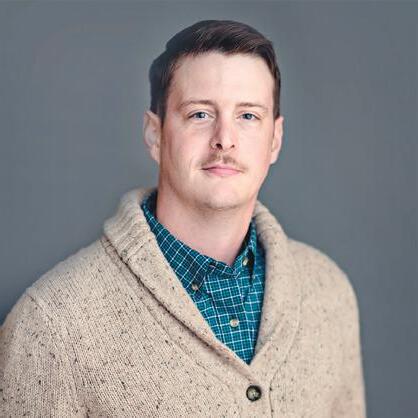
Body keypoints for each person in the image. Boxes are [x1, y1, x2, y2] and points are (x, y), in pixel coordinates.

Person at [0, 20, 367, 417]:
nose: (225, 139)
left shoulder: (328, 292)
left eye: (247, 116)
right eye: (200, 114)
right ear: (155, 134)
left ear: (274, 140)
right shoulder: (52, 324)